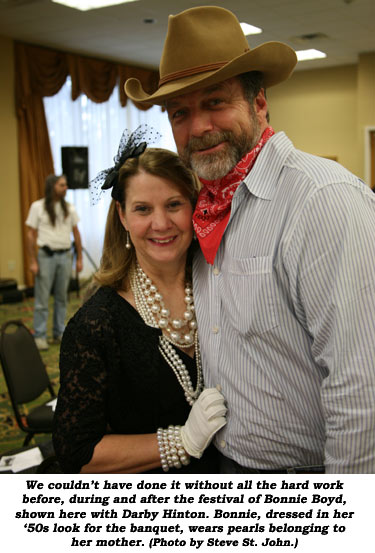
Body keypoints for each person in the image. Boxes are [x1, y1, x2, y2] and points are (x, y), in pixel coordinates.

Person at [125, 6, 375, 474]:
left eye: (216, 102)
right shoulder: (202, 207)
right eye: (181, 112)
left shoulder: (321, 200)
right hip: (225, 466)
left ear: (259, 103)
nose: (199, 127)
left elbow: (362, 388)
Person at [53, 128, 226, 474]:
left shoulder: (219, 285)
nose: (161, 223)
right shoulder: (97, 323)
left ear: (194, 206)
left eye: (174, 204)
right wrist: (181, 443)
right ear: (122, 215)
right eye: (142, 209)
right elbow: (77, 453)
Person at [26, 174, 83, 351]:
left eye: (66, 185)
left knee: (61, 297)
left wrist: (79, 258)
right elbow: (30, 234)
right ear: (52, 187)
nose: (65, 188)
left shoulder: (70, 208)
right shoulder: (38, 206)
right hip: (46, 256)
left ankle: (59, 332)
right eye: (61, 185)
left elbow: (76, 233)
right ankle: (40, 335)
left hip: (65, 256)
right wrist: (32, 260)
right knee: (42, 299)